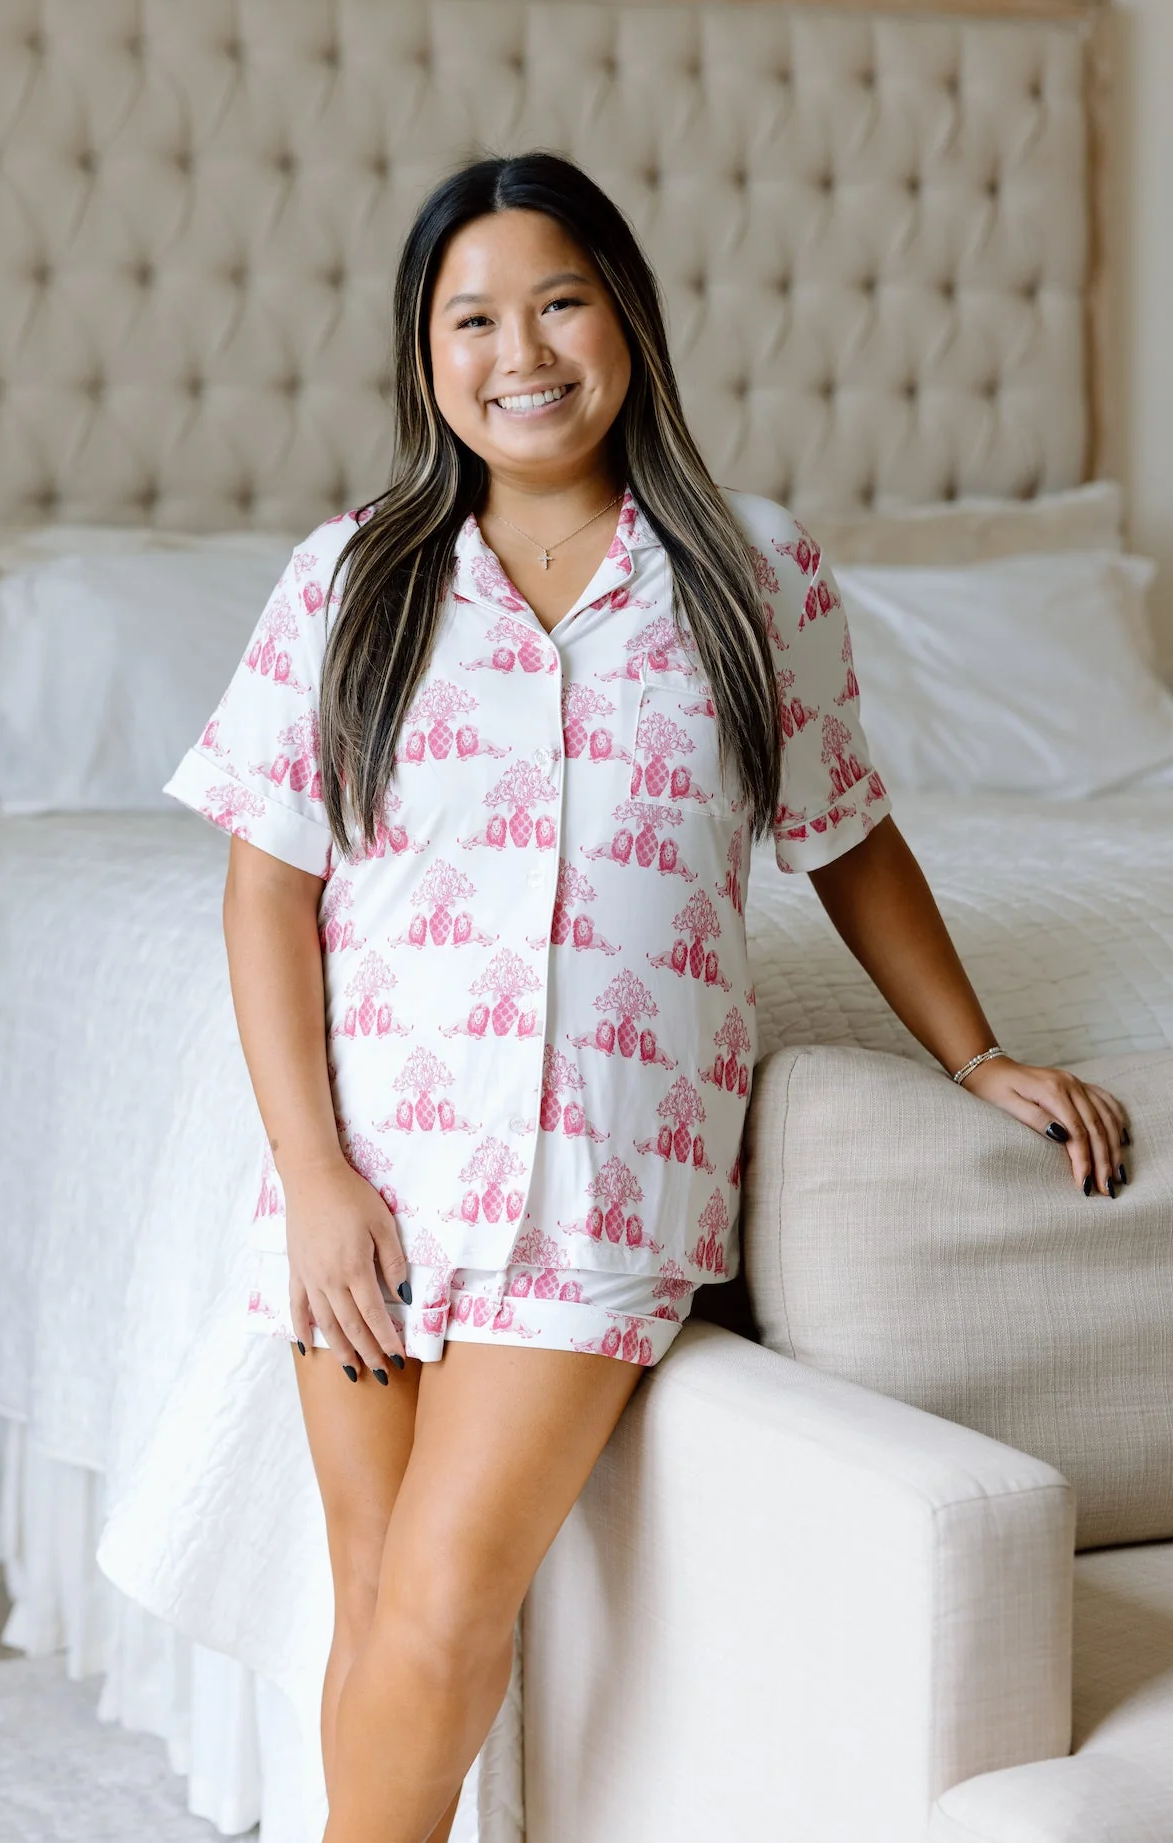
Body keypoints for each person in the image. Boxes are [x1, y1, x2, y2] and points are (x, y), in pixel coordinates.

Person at [164, 152, 1130, 1843]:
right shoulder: (351, 579)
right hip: (371, 1177)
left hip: (606, 1167)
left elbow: (846, 829)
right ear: (422, 357)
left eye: (558, 301)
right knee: (380, 1579)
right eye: (471, 316)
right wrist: (313, 1177)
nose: (519, 350)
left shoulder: (748, 572)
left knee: (452, 1589)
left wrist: (973, 1052)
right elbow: (270, 883)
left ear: (628, 318)